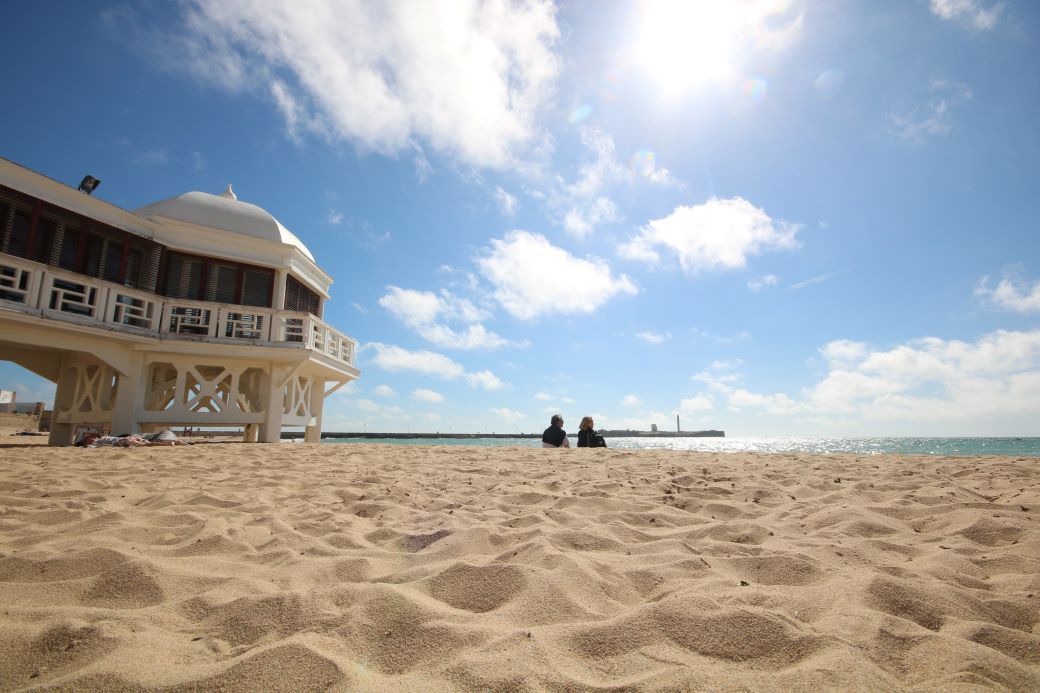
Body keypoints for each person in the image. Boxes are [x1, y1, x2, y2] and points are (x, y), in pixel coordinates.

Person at [75, 429, 192, 447]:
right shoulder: (94, 444)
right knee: (145, 444)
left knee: (145, 443)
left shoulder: (100, 439)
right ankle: (170, 444)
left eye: (87, 439)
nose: (88, 441)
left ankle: (172, 443)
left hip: (123, 440)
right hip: (122, 442)